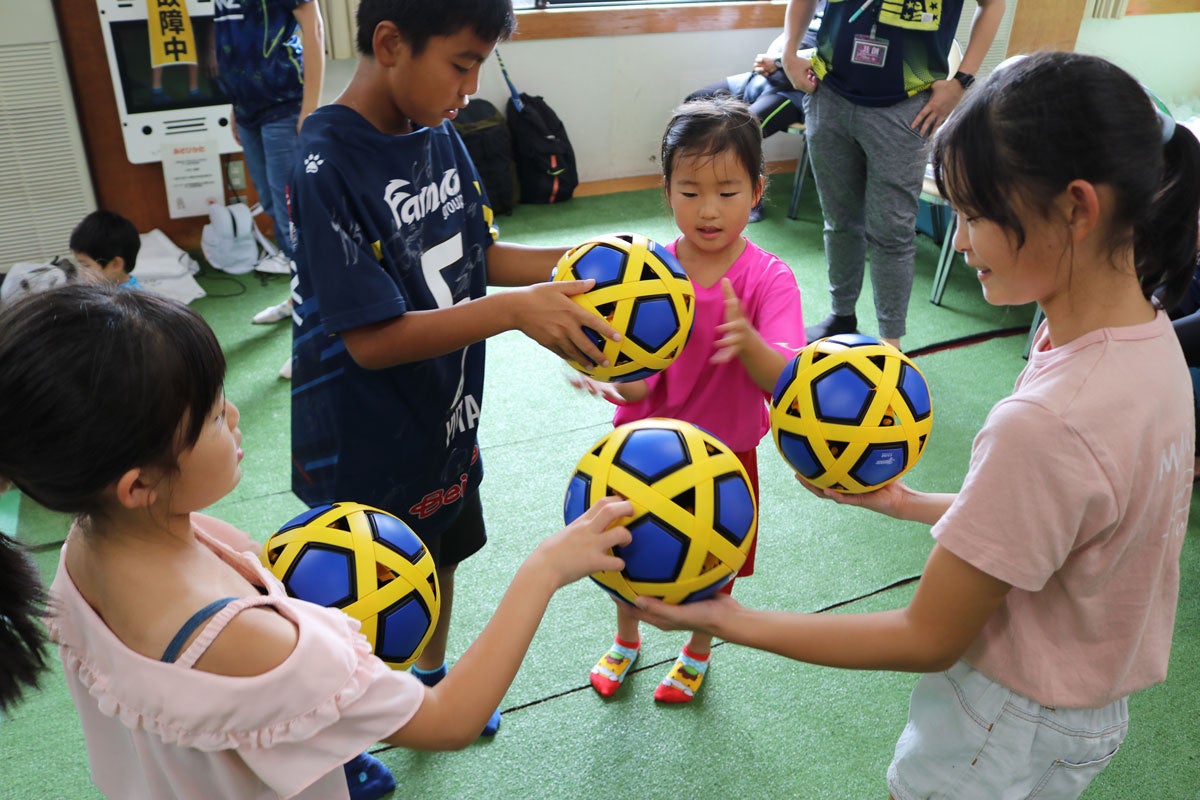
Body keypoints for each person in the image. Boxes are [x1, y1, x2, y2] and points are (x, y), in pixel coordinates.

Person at [634, 52, 1200, 799]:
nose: (959, 241)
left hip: (1001, 723)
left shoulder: (1048, 421)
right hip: (1084, 707)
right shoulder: (1149, 341)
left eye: (974, 215)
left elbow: (924, 636)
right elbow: (1068, 524)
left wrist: (729, 618)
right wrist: (907, 503)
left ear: (1076, 209)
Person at [0, 284, 633, 800]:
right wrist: (545, 567)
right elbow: (447, 721)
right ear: (137, 485)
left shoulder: (85, 544)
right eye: (214, 415)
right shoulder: (246, 641)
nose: (236, 416)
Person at [288, 0, 620, 738]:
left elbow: (484, 254)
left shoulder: (438, 130)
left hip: (446, 411)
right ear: (390, 43)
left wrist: (594, 265)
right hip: (361, 435)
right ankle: (346, 729)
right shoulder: (324, 164)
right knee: (360, 588)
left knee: (441, 553)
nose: (470, 90)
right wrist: (515, 312)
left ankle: (431, 681)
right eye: (461, 65)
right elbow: (371, 341)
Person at [571, 96, 805, 703]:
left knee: (713, 563)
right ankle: (626, 640)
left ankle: (698, 649)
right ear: (666, 190)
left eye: (727, 192)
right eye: (690, 190)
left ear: (757, 191)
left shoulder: (769, 278)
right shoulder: (645, 274)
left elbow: (786, 378)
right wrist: (605, 368)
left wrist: (749, 343)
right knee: (622, 553)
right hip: (640, 452)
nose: (708, 209)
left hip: (725, 458)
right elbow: (638, 385)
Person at [781, 0, 1005, 349]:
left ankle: (890, 342)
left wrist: (961, 81)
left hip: (906, 107)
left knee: (892, 231)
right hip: (829, 93)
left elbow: (992, 4)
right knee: (839, 220)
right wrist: (788, 52)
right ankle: (841, 316)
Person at [212, 0, 325, 379]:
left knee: (296, 222)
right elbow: (232, 37)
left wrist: (310, 108)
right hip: (248, 111)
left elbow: (314, 28)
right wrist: (236, 105)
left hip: (285, 106)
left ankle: (316, 330)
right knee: (276, 213)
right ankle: (299, 298)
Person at [683, 6, 823, 222]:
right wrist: (771, 60)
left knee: (742, 131)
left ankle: (750, 197)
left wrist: (778, 61)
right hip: (759, 79)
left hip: (790, 92)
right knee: (693, 105)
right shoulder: (811, 4)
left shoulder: (844, 11)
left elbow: (832, 56)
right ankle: (700, 181)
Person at [69, 209, 143, 289]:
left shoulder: (130, 296)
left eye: (86, 265)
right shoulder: (105, 288)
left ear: (116, 264)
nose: (80, 272)